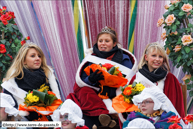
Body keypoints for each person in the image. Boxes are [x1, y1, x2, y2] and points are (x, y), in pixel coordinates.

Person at [67, 26, 137, 128]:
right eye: (100, 41)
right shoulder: (91, 59)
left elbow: (129, 78)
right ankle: (103, 117)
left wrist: (113, 81)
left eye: (107, 41)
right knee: (84, 92)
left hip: (117, 91)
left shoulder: (124, 58)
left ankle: (111, 119)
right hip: (97, 92)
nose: (103, 43)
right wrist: (91, 79)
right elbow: (81, 80)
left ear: (114, 44)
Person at [1, 43, 61, 121]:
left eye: (39, 56)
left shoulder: (49, 77)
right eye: (33, 56)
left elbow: (56, 102)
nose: (37, 58)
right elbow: (8, 108)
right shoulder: (12, 81)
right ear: (24, 61)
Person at [128, 42, 185, 118]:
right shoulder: (136, 77)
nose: (157, 59)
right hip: (138, 120)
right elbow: (128, 103)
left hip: (162, 121)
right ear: (146, 57)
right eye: (154, 55)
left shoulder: (170, 78)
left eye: (160, 56)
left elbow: (174, 106)